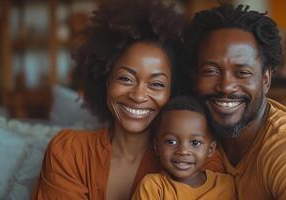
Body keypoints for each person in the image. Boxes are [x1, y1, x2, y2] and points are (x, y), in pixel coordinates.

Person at [33, 1, 189, 199]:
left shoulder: (189, 156)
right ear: (106, 80)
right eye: (126, 78)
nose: (138, 96)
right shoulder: (69, 152)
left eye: (156, 84)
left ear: (172, 92)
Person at [185, 4, 286, 200]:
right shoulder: (191, 128)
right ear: (194, 79)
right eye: (211, 71)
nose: (226, 86)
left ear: (265, 80)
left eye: (242, 73)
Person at [132, 96, 235, 200]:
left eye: (195, 143)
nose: (183, 151)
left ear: (210, 149)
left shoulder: (224, 185)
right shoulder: (153, 187)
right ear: (157, 147)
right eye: (171, 141)